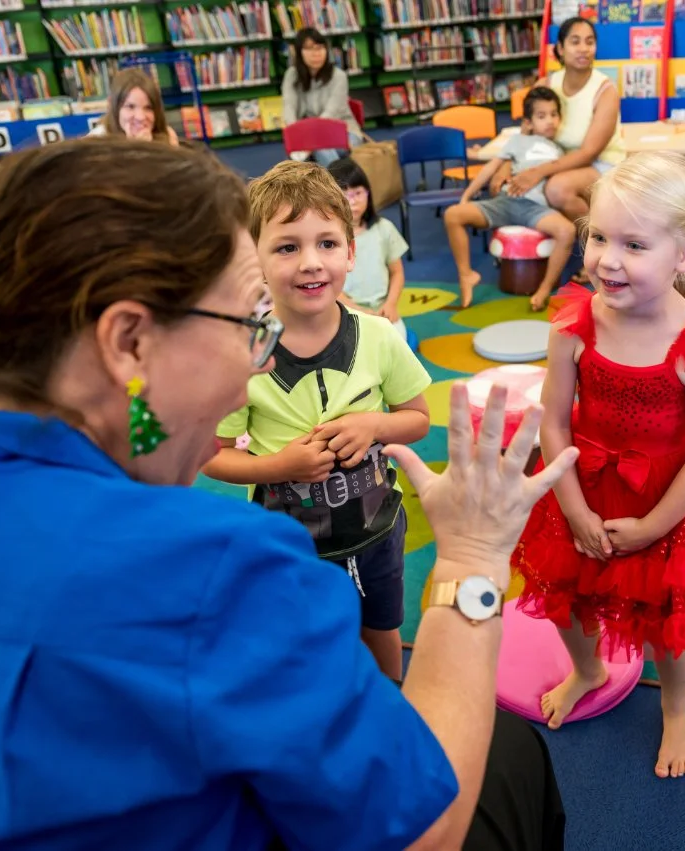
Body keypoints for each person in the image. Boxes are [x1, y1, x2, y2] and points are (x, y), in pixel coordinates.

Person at [0, 139, 574, 851]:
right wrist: (472, 560)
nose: (252, 369)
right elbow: (424, 827)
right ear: (129, 342)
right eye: (246, 321)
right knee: (505, 755)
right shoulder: (212, 569)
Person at [511, 151, 685, 780]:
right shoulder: (575, 322)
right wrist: (574, 510)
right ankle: (589, 669)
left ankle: (677, 709)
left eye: (634, 244)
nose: (607, 258)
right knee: (569, 599)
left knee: (669, 622)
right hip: (583, 483)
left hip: (669, 502)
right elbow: (553, 420)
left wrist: (653, 526)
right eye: (598, 236)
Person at [202, 160, 430, 681]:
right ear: (254, 260)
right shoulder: (246, 353)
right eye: (287, 247)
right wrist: (280, 463)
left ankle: (389, 707)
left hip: (377, 530)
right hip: (291, 544)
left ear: (352, 253)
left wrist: (374, 426)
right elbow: (211, 454)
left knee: (381, 629)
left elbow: (417, 419)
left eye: (327, 243)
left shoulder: (378, 336)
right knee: (306, 642)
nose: (311, 262)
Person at [443, 87, 576, 311]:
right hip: (504, 203)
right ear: (529, 122)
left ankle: (543, 289)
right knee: (452, 215)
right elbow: (489, 169)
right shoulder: (517, 141)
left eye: (554, 115)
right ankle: (466, 275)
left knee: (567, 231)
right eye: (542, 116)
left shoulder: (560, 151)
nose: (550, 121)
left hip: (536, 209)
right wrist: (466, 196)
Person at [501, 17, 625, 225]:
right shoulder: (546, 84)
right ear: (560, 48)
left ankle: (597, 243)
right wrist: (505, 166)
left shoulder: (606, 90)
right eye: (575, 42)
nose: (584, 48)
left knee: (556, 188)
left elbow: (588, 153)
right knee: (507, 184)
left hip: (601, 165)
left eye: (590, 41)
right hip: (553, 160)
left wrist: (537, 172)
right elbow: (525, 132)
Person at [326, 156, 409, 338]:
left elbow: (397, 272)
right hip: (343, 313)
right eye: (345, 195)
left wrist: (391, 304)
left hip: (382, 311)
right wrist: (358, 311)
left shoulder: (384, 228)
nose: (353, 201)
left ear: (368, 193)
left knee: (397, 345)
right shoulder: (326, 239)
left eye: (358, 193)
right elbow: (328, 287)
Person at [282, 27, 361, 165]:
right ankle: (340, 182)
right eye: (309, 49)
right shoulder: (292, 75)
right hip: (307, 134)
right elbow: (289, 107)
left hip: (344, 132)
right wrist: (297, 135)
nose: (316, 54)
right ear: (299, 52)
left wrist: (311, 139)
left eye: (320, 48)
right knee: (319, 149)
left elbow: (331, 113)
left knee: (319, 148)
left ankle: (334, 184)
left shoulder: (339, 76)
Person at [91, 67, 180, 145]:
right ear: (114, 107)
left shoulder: (167, 136)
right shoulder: (96, 142)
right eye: (130, 107)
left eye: (148, 108)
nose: (140, 117)